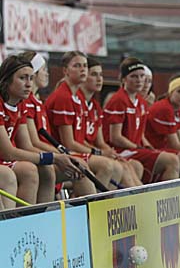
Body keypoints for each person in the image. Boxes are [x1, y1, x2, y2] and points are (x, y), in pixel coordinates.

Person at [0, 53, 81, 205]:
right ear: (7, 79)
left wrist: (56, 157)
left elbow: (26, 145)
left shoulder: (20, 105)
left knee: (47, 169)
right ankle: (19, 219)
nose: (28, 84)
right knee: (24, 172)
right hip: (4, 161)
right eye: (22, 78)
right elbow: (8, 152)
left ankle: (43, 217)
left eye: (31, 78)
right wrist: (54, 157)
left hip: (5, 161)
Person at [45, 51, 123, 190]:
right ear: (65, 70)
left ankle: (108, 201)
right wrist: (98, 153)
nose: (82, 70)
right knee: (106, 165)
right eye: (77, 66)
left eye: (85, 66)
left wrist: (103, 152)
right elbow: (68, 143)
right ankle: (94, 202)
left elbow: (81, 140)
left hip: (73, 151)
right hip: (61, 153)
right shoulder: (63, 97)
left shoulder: (77, 98)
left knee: (117, 167)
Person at [23, 52, 97, 198]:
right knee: (90, 167)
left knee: (89, 167)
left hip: (45, 153)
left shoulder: (37, 101)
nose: (47, 74)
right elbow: (33, 142)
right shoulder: (28, 102)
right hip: (35, 157)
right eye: (43, 70)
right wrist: (59, 155)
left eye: (85, 66)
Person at [103, 57, 180, 184]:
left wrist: (147, 146)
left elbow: (140, 133)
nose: (139, 80)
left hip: (134, 149)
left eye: (141, 76)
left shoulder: (141, 102)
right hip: (120, 150)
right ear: (123, 79)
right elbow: (115, 138)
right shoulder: (118, 100)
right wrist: (138, 147)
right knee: (171, 160)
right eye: (134, 76)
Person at [81, 58, 143, 188]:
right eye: (94, 74)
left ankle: (141, 195)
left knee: (130, 165)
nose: (99, 79)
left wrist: (110, 152)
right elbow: (73, 142)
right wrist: (101, 153)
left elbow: (100, 142)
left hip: (93, 151)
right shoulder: (72, 102)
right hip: (78, 153)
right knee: (113, 166)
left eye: (101, 75)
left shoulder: (95, 106)